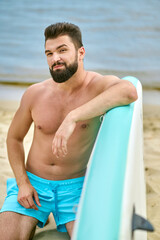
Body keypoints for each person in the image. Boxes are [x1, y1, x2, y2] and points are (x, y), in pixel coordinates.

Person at [0, 22, 138, 240]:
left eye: (62, 50)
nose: (55, 59)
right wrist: (22, 182)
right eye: (49, 53)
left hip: (75, 189)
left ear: (81, 52)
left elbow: (129, 91)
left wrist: (73, 116)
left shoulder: (97, 86)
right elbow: (14, 138)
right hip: (33, 184)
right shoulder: (34, 93)